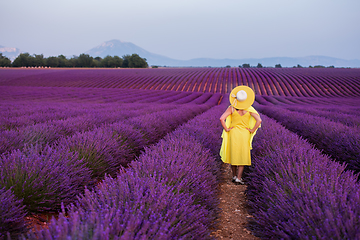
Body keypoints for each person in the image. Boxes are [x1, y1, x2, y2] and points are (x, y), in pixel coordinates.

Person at [219, 86, 262, 185]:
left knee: (233, 154)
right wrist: (252, 130)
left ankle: (234, 176)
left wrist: (227, 129)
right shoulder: (249, 109)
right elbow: (259, 120)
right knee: (242, 155)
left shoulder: (232, 108)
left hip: (233, 133)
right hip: (244, 134)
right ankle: (239, 178)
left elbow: (221, 119)